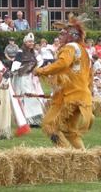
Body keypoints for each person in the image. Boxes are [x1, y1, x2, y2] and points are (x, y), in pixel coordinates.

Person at [33, 13, 93, 149]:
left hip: (70, 97)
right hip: (82, 96)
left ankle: (67, 156)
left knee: (49, 125)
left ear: (72, 35)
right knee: (70, 132)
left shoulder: (70, 47)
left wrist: (42, 71)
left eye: (62, 34)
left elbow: (63, 63)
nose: (59, 37)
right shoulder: (83, 50)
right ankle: (84, 159)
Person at [11, 32, 45, 131]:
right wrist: (17, 70)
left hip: (29, 78)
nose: (31, 43)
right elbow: (15, 66)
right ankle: (26, 121)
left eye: (32, 42)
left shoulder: (33, 52)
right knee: (25, 99)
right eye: (29, 41)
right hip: (21, 79)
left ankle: (34, 121)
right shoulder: (20, 52)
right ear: (25, 42)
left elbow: (40, 61)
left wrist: (35, 69)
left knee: (33, 99)